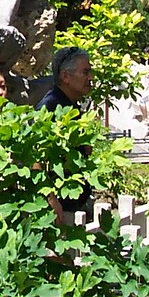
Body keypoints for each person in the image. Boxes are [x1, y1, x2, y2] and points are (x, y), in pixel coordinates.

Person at [35, 46, 93, 217]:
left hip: (76, 201)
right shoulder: (49, 107)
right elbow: (36, 158)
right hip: (60, 207)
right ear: (65, 76)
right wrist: (50, 199)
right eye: (85, 72)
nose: (90, 78)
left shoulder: (71, 105)